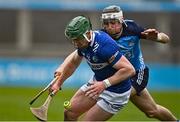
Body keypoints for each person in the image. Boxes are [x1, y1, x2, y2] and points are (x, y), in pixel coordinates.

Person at [50, 16, 135, 121]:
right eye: (73, 40)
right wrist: (59, 83)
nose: (75, 43)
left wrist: (104, 84)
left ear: (87, 34)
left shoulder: (104, 46)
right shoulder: (84, 44)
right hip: (97, 84)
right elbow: (73, 62)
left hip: (115, 93)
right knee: (69, 113)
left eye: (77, 39)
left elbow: (129, 70)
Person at [101, 5, 177, 121]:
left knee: (109, 98)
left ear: (121, 21)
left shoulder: (132, 28)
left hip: (137, 73)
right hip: (119, 76)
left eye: (113, 23)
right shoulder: (102, 37)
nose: (110, 27)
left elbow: (166, 39)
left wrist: (157, 37)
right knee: (152, 111)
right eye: (106, 24)